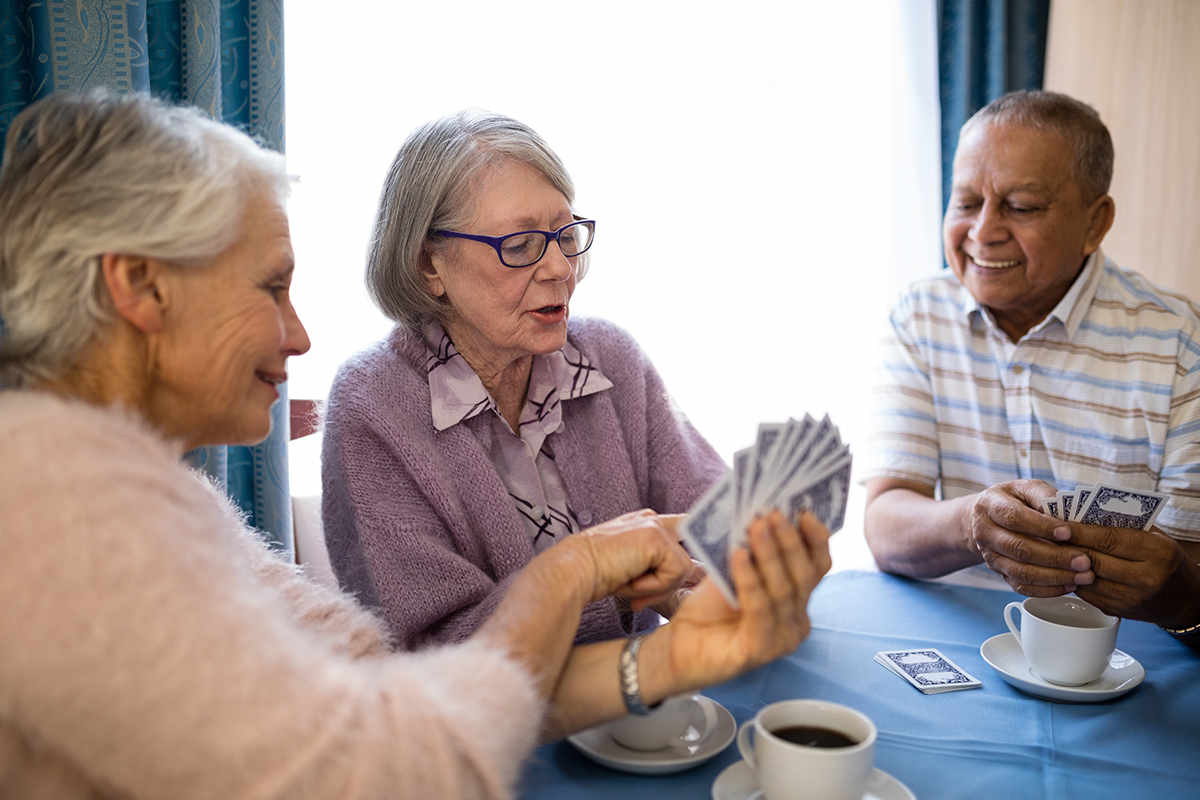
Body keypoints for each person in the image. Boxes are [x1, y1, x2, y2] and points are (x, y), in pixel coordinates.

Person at [0, 89, 831, 798]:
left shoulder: (153, 491)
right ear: (139, 285)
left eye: (563, 235)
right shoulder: (55, 509)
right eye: (272, 287)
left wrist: (679, 652)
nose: (298, 337)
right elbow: (383, 760)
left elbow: (386, 692)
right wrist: (580, 567)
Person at [321, 110, 728, 649]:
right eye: (520, 246)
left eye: (565, 234)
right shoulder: (373, 409)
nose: (560, 267)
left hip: (641, 722)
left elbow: (713, 517)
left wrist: (759, 544)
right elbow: (433, 652)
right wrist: (618, 583)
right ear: (428, 266)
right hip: (485, 728)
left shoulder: (610, 357)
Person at [863, 89, 1200, 643]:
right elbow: (885, 525)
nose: (983, 232)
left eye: (1020, 207)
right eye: (966, 202)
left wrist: (1177, 590)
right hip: (958, 633)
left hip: (1134, 655)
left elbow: (1190, 577)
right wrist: (974, 522)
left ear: (1096, 223)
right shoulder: (919, 316)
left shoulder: (1180, 343)